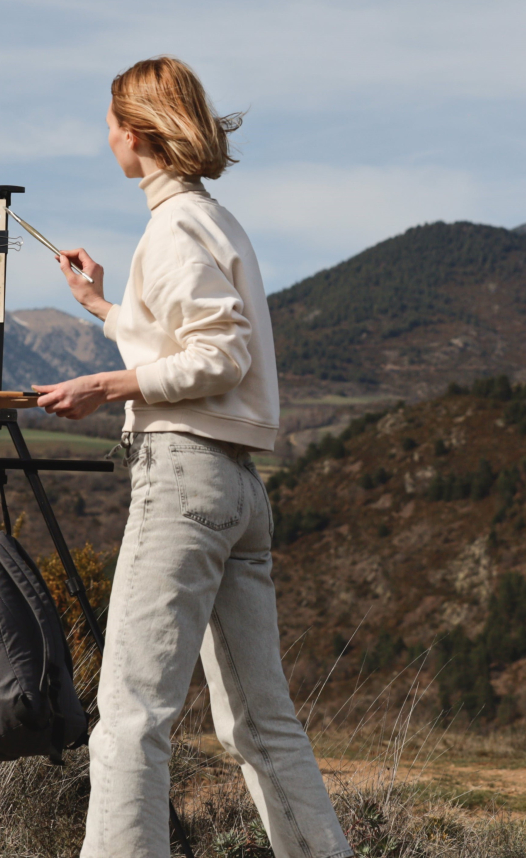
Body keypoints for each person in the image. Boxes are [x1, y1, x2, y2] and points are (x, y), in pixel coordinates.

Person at [33, 56, 352, 858]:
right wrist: (106, 307)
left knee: (131, 717)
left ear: (133, 133)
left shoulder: (172, 228)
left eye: (108, 123)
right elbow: (194, 339)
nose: (103, 137)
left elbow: (219, 356)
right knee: (259, 721)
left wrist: (108, 384)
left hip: (183, 480)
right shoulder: (211, 220)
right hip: (238, 491)